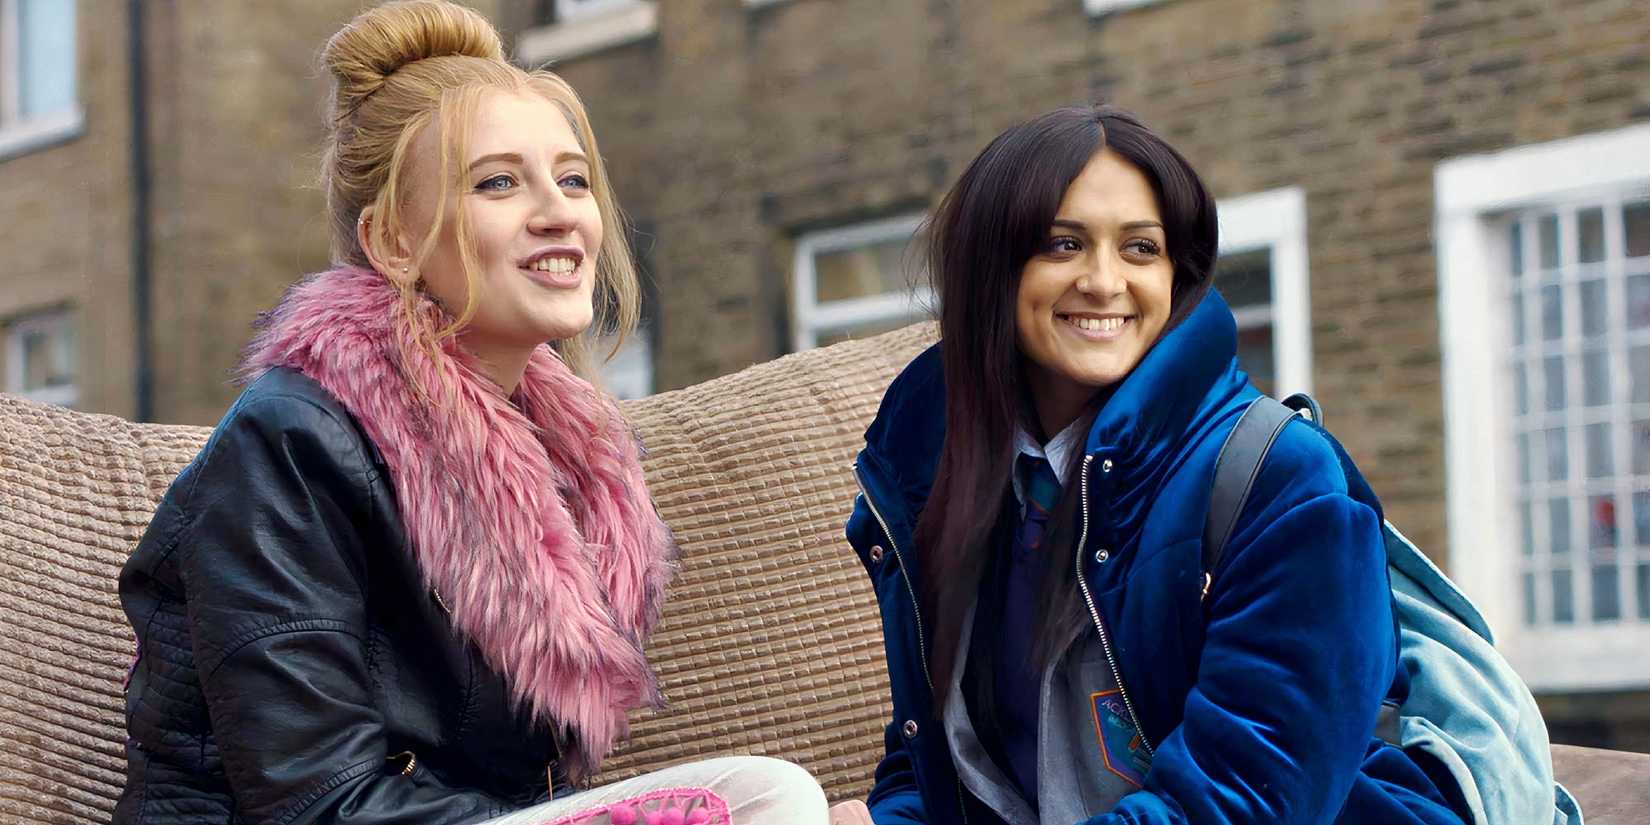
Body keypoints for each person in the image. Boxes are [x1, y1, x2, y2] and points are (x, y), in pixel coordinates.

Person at [113, 2, 828, 823]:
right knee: (764, 799)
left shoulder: (562, 456)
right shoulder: (288, 443)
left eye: (572, 178)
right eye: (497, 182)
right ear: (392, 242)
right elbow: (315, 800)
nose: (560, 212)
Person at [833, 106, 1468, 825]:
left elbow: (1248, 802)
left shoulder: (1283, 482)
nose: (1104, 282)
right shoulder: (937, 481)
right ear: (990, 269)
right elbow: (939, 762)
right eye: (1063, 244)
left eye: (1141, 248)